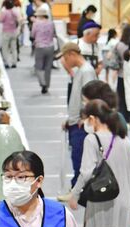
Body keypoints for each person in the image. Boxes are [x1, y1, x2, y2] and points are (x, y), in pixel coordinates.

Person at [69, 99, 130, 227]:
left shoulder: (92, 140)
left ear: (93, 118)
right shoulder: (124, 139)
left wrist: (74, 194)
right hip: (124, 199)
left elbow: (86, 173)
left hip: (101, 200)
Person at [57, 42, 96, 198]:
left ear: (73, 54)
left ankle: (77, 191)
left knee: (79, 158)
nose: (65, 61)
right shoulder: (81, 71)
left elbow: (89, 97)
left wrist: (83, 117)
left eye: (66, 57)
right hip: (75, 121)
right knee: (77, 156)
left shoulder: (86, 71)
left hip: (81, 124)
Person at [31, 5, 54, 94]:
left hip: (40, 46)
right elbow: (52, 34)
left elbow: (33, 35)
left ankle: (43, 83)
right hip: (50, 46)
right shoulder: (51, 23)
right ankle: (47, 85)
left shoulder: (36, 24)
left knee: (38, 67)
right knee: (48, 68)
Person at [0, 0, 21, 68]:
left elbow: (0, 20)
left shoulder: (4, 12)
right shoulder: (15, 12)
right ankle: (14, 63)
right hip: (14, 32)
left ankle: (6, 63)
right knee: (13, 48)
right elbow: (19, 19)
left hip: (6, 32)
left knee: (5, 48)